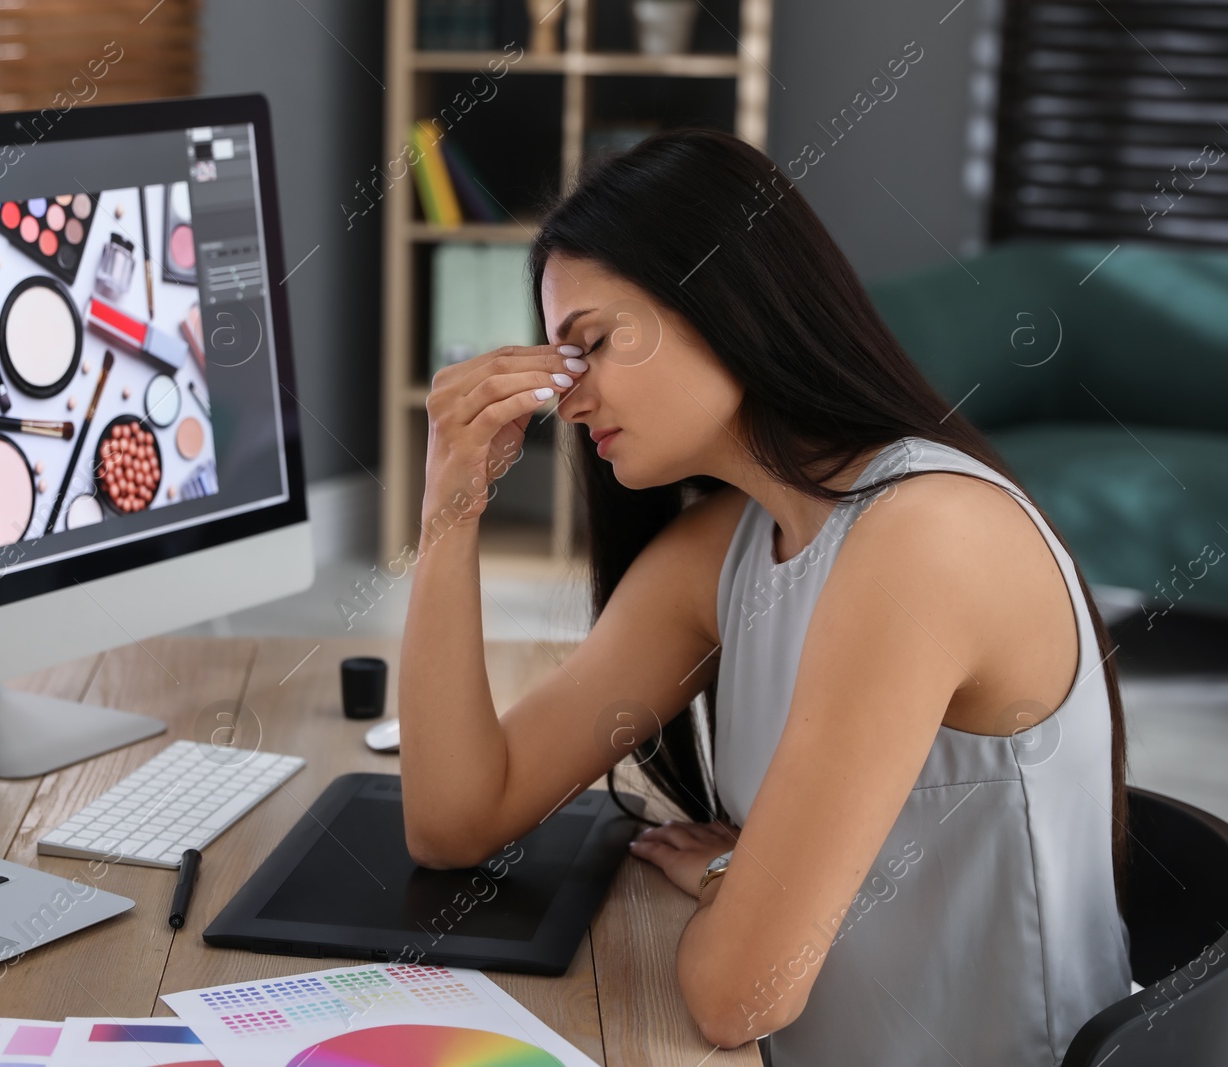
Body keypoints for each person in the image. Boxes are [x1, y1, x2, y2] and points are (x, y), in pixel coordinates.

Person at [397, 128, 1132, 1066]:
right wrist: (448, 510)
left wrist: (729, 875)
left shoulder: (926, 538)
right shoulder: (726, 552)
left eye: (591, 345)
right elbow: (458, 819)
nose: (567, 401)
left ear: (722, 299)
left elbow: (736, 995)